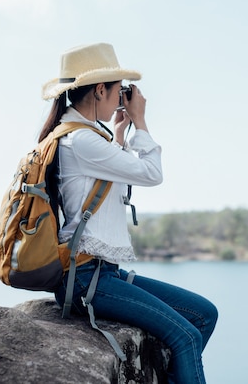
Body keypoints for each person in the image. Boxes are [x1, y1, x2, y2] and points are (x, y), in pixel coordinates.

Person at [39, 42, 218, 384]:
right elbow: (152, 173)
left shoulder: (84, 137)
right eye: (117, 89)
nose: (121, 96)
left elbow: (102, 183)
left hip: (101, 271)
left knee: (204, 314)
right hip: (87, 278)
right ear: (100, 89)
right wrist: (141, 121)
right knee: (186, 336)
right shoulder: (82, 141)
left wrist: (120, 134)